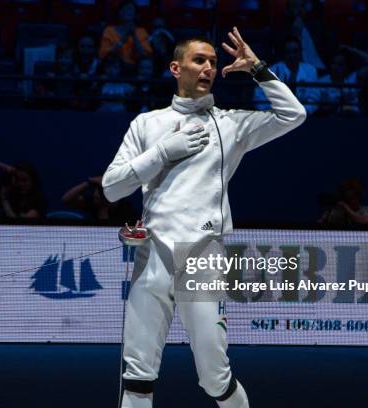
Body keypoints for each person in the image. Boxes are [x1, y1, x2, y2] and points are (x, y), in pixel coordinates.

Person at [102, 28, 306, 408]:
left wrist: (258, 68)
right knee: (137, 373)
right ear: (175, 68)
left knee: (214, 377)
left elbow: (294, 114)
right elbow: (112, 188)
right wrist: (163, 151)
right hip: (152, 257)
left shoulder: (232, 124)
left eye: (213, 61)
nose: (209, 67)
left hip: (201, 255)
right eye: (200, 60)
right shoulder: (147, 125)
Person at [254, 37, 318, 115]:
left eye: (295, 51)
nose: (292, 55)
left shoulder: (310, 70)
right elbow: (259, 95)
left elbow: (314, 96)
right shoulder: (273, 70)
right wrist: (272, 112)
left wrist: (305, 111)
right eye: (288, 52)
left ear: (300, 52)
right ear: (284, 53)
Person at [98, 0, 152, 68]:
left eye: (129, 9)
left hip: (136, 68)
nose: (126, 11)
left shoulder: (142, 32)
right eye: (123, 9)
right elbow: (104, 55)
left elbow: (145, 56)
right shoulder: (109, 30)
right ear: (119, 13)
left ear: (135, 14)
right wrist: (122, 40)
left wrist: (134, 37)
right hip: (114, 68)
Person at [62, 176, 136, 225]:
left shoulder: (126, 211)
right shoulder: (94, 202)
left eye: (101, 190)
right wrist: (89, 182)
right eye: (96, 188)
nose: (95, 194)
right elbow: (66, 199)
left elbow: (105, 235)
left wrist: (103, 208)